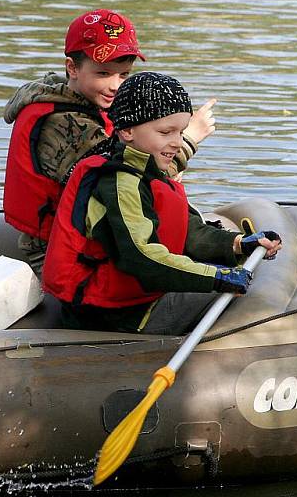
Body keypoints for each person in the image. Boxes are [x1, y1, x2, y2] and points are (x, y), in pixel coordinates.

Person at [42, 71, 282, 335]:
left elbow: (189, 232)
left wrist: (237, 244)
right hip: (116, 316)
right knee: (254, 295)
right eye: (166, 132)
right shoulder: (119, 183)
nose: (177, 143)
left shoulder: (148, 171)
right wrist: (217, 277)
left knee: (239, 273)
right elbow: (142, 257)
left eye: (180, 131)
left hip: (135, 301)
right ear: (127, 129)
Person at [3, 9, 216, 276]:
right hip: (60, 253)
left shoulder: (86, 103)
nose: (116, 85)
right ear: (73, 68)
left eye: (124, 75)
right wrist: (188, 140)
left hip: (91, 238)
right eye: (103, 73)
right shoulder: (64, 124)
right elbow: (123, 185)